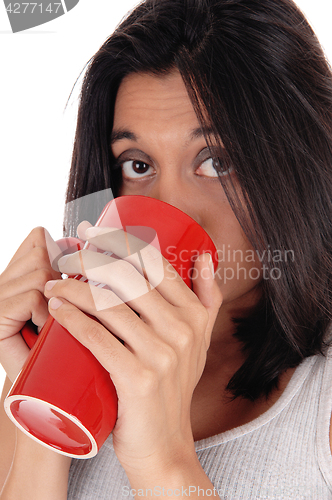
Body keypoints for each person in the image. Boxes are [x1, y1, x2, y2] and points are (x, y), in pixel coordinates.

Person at [1, 0, 332, 498]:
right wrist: (50, 383)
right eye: (137, 165)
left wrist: (163, 461)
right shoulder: (71, 363)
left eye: (217, 161)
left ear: (302, 165)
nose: (171, 211)